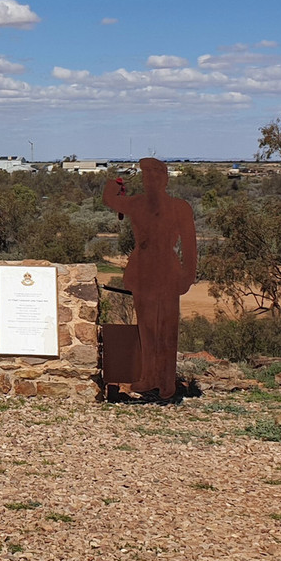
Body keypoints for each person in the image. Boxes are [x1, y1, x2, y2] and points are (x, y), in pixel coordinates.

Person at [102, 158, 197, 399]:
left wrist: (188, 275)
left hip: (167, 269)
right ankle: (149, 377)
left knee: (167, 327)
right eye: (146, 177)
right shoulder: (137, 203)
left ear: (164, 179)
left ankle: (167, 381)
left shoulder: (180, 207)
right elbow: (110, 200)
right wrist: (117, 181)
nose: (150, 181)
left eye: (155, 176)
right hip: (142, 269)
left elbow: (190, 245)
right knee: (147, 328)